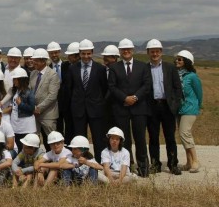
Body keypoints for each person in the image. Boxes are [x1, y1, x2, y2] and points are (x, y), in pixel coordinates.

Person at [108, 38, 152, 177]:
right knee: (124, 139)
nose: (126, 51)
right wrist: (124, 98)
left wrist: (134, 98)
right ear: (120, 52)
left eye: (128, 49)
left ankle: (143, 168)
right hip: (121, 108)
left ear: (132, 50)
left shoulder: (143, 66)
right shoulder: (114, 67)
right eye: (123, 50)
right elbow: (112, 86)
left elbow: (146, 85)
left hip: (139, 108)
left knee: (140, 138)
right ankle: (127, 166)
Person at [145, 39, 183, 175]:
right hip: (152, 107)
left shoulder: (170, 68)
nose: (154, 54)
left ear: (161, 52)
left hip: (167, 107)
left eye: (157, 51)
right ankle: (155, 165)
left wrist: (175, 104)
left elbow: (177, 88)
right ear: (148, 53)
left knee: (170, 138)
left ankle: (173, 164)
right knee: (153, 138)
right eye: (152, 52)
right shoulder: (145, 68)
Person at [68, 40, 108, 163]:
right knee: (80, 139)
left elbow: (104, 89)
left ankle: (99, 163)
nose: (86, 56)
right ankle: (81, 162)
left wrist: (100, 104)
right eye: (83, 54)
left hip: (96, 110)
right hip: (78, 110)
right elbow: (69, 89)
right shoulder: (72, 68)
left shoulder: (100, 69)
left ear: (92, 53)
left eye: (88, 53)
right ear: (79, 54)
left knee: (98, 138)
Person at [176, 50, 203, 173]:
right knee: (183, 136)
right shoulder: (176, 74)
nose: (177, 61)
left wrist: (197, 107)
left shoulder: (192, 76)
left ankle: (196, 161)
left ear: (186, 62)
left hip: (190, 108)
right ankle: (189, 162)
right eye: (177, 59)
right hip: (179, 109)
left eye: (180, 59)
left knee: (184, 133)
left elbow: (199, 93)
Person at [29, 49, 60, 151]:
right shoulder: (33, 73)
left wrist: (39, 108)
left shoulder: (52, 75)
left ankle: (56, 161)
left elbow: (52, 96)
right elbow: (30, 92)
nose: (33, 62)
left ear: (43, 61)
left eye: (36, 60)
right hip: (34, 114)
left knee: (52, 140)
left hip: (48, 114)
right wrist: (32, 107)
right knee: (34, 140)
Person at [0, 67, 36, 152]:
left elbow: (31, 108)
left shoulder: (29, 92)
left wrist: (21, 104)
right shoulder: (16, 91)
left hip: (25, 126)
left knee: (26, 146)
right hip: (16, 124)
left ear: (21, 80)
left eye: (15, 79)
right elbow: (13, 106)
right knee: (19, 146)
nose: (14, 81)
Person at [47, 41, 73, 141]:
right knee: (58, 128)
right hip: (54, 104)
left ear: (59, 52)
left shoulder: (68, 66)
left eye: (56, 52)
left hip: (68, 103)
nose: (54, 55)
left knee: (69, 127)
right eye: (51, 53)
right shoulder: (48, 69)